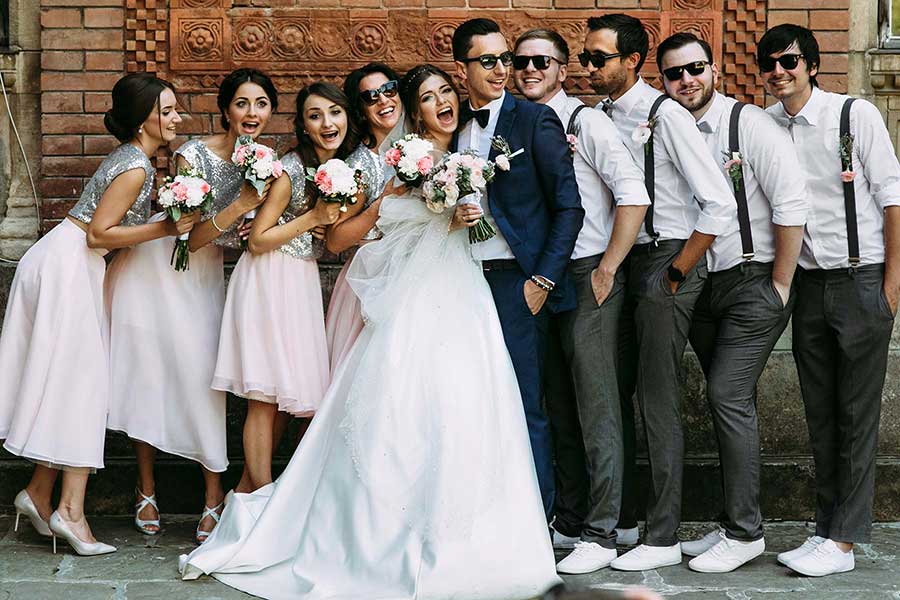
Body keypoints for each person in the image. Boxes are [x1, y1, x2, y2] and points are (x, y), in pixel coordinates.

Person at [178, 64, 560, 600]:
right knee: (390, 411)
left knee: (469, 407)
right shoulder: (387, 163)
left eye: (443, 93)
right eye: (424, 98)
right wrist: (399, 204)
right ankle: (373, 538)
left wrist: (463, 211)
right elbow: (341, 238)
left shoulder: (471, 148)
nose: (437, 103)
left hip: (461, 293)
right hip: (404, 297)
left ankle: (478, 540)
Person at [0, 73, 196, 555]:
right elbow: (99, 235)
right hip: (69, 265)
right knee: (82, 387)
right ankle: (70, 513)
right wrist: (166, 228)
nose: (176, 118)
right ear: (144, 118)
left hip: (67, 263)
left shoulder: (137, 160)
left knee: (72, 383)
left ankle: (40, 494)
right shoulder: (135, 167)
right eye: (167, 111)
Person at [580, 14, 736, 571]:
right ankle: (622, 520)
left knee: (659, 397)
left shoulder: (665, 114)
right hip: (622, 260)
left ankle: (664, 532)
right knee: (619, 389)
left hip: (664, 257)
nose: (589, 67)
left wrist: (676, 272)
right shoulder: (597, 116)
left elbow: (719, 203)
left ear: (631, 61)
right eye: (585, 58)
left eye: (599, 58)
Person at [656, 31, 808, 573]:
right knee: (729, 402)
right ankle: (730, 523)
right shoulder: (667, 127)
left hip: (752, 281)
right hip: (700, 286)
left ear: (713, 69)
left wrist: (781, 282)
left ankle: (746, 532)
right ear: (663, 81)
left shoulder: (749, 124)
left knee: (726, 393)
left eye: (695, 68)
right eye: (675, 74)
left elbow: (791, 201)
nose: (687, 81)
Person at [105, 68, 275, 544]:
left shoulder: (266, 161)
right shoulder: (191, 154)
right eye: (242, 103)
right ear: (226, 110)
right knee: (148, 372)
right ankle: (146, 487)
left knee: (206, 380)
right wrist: (241, 206)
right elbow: (193, 234)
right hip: (159, 268)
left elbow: (248, 233)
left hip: (203, 280)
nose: (252, 113)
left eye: (261, 104)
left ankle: (213, 494)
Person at [759, 24, 900, 577]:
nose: (779, 72)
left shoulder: (852, 115)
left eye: (790, 61)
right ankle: (824, 530)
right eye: (769, 64)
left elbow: (893, 198)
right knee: (821, 415)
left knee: (856, 415)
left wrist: (892, 285)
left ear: (812, 65)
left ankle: (844, 542)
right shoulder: (765, 126)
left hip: (862, 280)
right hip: (809, 287)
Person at [512, 28, 649, 573]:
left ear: (562, 70)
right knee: (559, 402)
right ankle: (572, 519)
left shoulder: (585, 121)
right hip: (546, 275)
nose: (528, 69)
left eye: (541, 61)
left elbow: (632, 195)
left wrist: (609, 267)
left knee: (597, 405)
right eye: (520, 61)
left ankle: (605, 530)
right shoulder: (516, 126)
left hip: (589, 271)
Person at [452, 18, 584, 519]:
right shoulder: (452, 129)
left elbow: (569, 208)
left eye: (504, 58)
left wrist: (541, 281)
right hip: (461, 281)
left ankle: (537, 522)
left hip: (516, 282)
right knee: (475, 400)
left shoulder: (534, 120)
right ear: (461, 68)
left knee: (527, 403)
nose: (502, 69)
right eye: (488, 60)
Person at [213, 82, 352, 492]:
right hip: (268, 276)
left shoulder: (340, 168)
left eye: (334, 112)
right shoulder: (290, 169)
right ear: (303, 126)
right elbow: (257, 238)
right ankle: (261, 498)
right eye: (314, 116)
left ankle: (245, 495)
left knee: (288, 400)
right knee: (264, 398)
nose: (327, 123)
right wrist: (313, 219)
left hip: (300, 277)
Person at [325, 63, 406, 373]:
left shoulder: (423, 146)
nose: (384, 100)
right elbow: (335, 240)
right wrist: (380, 204)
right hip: (369, 283)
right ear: (360, 110)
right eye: (371, 97)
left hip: (419, 276)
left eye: (389, 90)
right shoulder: (358, 164)